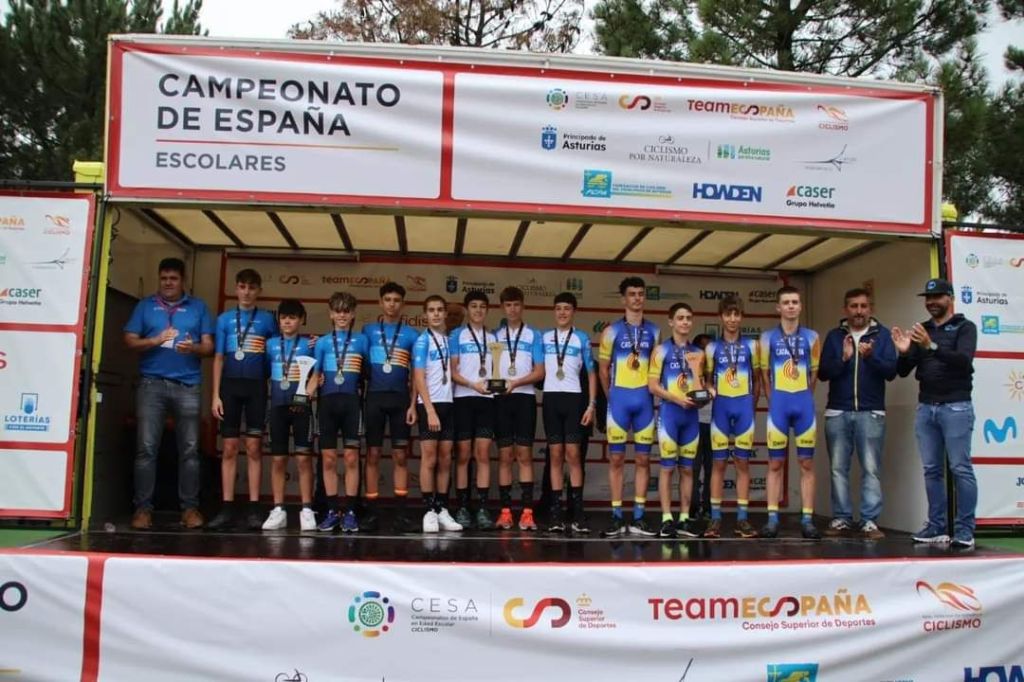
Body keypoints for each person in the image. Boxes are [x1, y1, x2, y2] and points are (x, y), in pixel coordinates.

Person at [123, 257, 214, 530]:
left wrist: (192, 348)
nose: (168, 283)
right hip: (152, 385)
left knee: (190, 450)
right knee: (146, 449)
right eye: (164, 278)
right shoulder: (145, 306)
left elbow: (209, 347)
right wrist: (155, 340)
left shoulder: (198, 307)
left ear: (183, 280)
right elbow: (129, 339)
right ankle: (142, 510)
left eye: (173, 279)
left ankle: (190, 509)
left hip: (188, 386)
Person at [894, 278, 978, 549]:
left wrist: (931, 346)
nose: (931, 302)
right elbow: (902, 371)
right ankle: (936, 526)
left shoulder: (965, 327)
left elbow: (964, 362)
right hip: (926, 407)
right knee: (932, 470)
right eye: (928, 298)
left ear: (950, 298)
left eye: (937, 297)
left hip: (956, 406)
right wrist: (904, 352)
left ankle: (965, 529)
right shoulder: (923, 330)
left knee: (960, 468)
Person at [818, 288, 898, 540]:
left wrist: (871, 357)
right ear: (846, 309)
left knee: (871, 469)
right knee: (837, 468)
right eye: (854, 306)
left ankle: (869, 521)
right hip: (838, 411)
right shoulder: (834, 336)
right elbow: (823, 373)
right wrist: (843, 358)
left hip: (870, 411)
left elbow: (891, 372)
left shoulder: (882, 335)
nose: (859, 311)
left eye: (863, 306)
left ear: (870, 308)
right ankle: (841, 518)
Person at [207, 269, 278, 531]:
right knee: (228, 448)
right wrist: (215, 395)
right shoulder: (224, 319)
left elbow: (276, 355)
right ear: (236, 288)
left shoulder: (267, 320)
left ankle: (254, 508)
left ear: (259, 290)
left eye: (251, 287)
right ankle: (227, 508)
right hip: (230, 387)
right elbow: (218, 358)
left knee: (254, 448)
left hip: (257, 387)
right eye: (242, 286)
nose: (246, 292)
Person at [598, 276, 661, 537]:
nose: (637, 298)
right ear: (623, 299)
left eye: (641, 293)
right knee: (616, 459)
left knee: (644, 459)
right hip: (619, 402)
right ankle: (615, 516)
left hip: (644, 402)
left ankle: (639, 516)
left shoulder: (655, 330)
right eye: (632, 294)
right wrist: (611, 397)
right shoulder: (610, 331)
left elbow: (657, 368)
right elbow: (603, 370)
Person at [759, 286, 821, 539]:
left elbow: (814, 372)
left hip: (803, 404)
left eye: (795, 302)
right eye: (786, 302)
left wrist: (806, 396)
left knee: (806, 463)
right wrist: (772, 398)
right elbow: (764, 373)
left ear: (800, 306)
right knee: (775, 463)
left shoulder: (812, 337)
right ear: (778, 307)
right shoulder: (767, 338)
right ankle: (772, 519)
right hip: (779, 405)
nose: (791, 306)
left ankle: (807, 519)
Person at [361, 282, 420, 532]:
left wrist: (413, 404)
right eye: (387, 299)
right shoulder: (367, 331)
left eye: (396, 300)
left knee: (400, 456)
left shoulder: (412, 335)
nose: (392, 304)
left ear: (403, 304)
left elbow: (417, 374)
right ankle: (371, 513)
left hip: (400, 400)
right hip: (374, 398)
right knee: (372, 455)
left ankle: (401, 514)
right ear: (380, 302)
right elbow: (357, 362)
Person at [308, 292, 369, 533]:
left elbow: (371, 371)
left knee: (352, 458)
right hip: (327, 404)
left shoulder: (362, 340)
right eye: (338, 311)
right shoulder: (322, 343)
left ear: (353, 314)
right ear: (331, 314)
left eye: (346, 311)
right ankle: (333, 511)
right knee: (329, 459)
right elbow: (315, 376)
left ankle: (351, 511)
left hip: (352, 403)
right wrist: (301, 399)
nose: (342, 315)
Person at [703, 296, 760, 539]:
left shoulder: (752, 346)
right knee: (718, 464)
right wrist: (709, 388)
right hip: (721, 408)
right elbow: (706, 380)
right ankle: (715, 518)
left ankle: (742, 519)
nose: (732, 319)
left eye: (737, 314)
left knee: (742, 463)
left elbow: (757, 379)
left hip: (744, 406)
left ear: (742, 317)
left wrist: (751, 405)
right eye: (728, 314)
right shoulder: (711, 348)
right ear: (721, 317)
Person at [541, 292, 596, 534]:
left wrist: (591, 405)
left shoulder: (581, 338)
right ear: (554, 311)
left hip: (574, 400)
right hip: (551, 399)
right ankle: (555, 513)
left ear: (574, 311)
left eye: (567, 308)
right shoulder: (544, 338)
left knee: (573, 455)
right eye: (558, 308)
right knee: (555, 455)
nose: (562, 312)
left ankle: (578, 513)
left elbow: (592, 374)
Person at [648, 303, 705, 539]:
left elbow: (700, 388)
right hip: (670, 413)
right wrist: (677, 399)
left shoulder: (699, 353)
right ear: (671, 321)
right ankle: (666, 519)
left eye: (688, 318)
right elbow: (652, 386)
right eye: (680, 318)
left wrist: (703, 395)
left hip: (690, 416)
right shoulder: (660, 351)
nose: (685, 322)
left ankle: (683, 518)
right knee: (667, 468)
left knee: (688, 469)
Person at [261, 299, 317, 532]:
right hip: (277, 407)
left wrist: (303, 398)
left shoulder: (310, 345)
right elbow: (264, 372)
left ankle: (307, 509)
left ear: (301, 320)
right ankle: (278, 509)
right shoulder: (270, 345)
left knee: (304, 459)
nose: (287, 321)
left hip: (301, 408)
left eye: (292, 317)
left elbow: (317, 376)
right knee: (278, 460)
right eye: (283, 317)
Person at [494, 286, 545, 531]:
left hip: (525, 398)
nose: (512, 309)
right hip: (501, 399)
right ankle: (505, 512)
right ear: (502, 307)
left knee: (524, 455)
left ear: (523, 306)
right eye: (508, 305)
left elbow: (540, 371)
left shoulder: (534, 335)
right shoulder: (494, 336)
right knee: (505, 455)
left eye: (516, 304)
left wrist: (515, 383)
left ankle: (527, 512)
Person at [412, 295, 464, 533]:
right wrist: (428, 409)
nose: (435, 314)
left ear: (445, 314)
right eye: (431, 310)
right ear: (425, 314)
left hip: (449, 404)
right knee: (430, 458)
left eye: (439, 310)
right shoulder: (422, 341)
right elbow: (418, 377)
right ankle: (428, 510)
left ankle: (442, 508)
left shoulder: (450, 340)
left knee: (445, 458)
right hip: (429, 405)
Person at [450, 290, 498, 529]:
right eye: (474, 306)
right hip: (463, 399)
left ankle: (482, 508)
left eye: (482, 306)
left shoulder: (493, 338)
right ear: (467, 309)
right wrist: (472, 385)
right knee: (463, 454)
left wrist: (494, 386)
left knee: (483, 454)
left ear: (487, 310)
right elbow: (452, 371)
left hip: (487, 401)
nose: (478, 310)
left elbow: (497, 371)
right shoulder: (456, 335)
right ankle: (462, 507)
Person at [690, 333, 714, 521]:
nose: (705, 352)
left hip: (714, 425)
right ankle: (693, 507)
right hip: (694, 424)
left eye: (709, 348)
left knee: (712, 469)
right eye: (702, 348)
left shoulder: (719, 370)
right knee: (694, 468)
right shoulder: (689, 370)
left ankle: (708, 507)